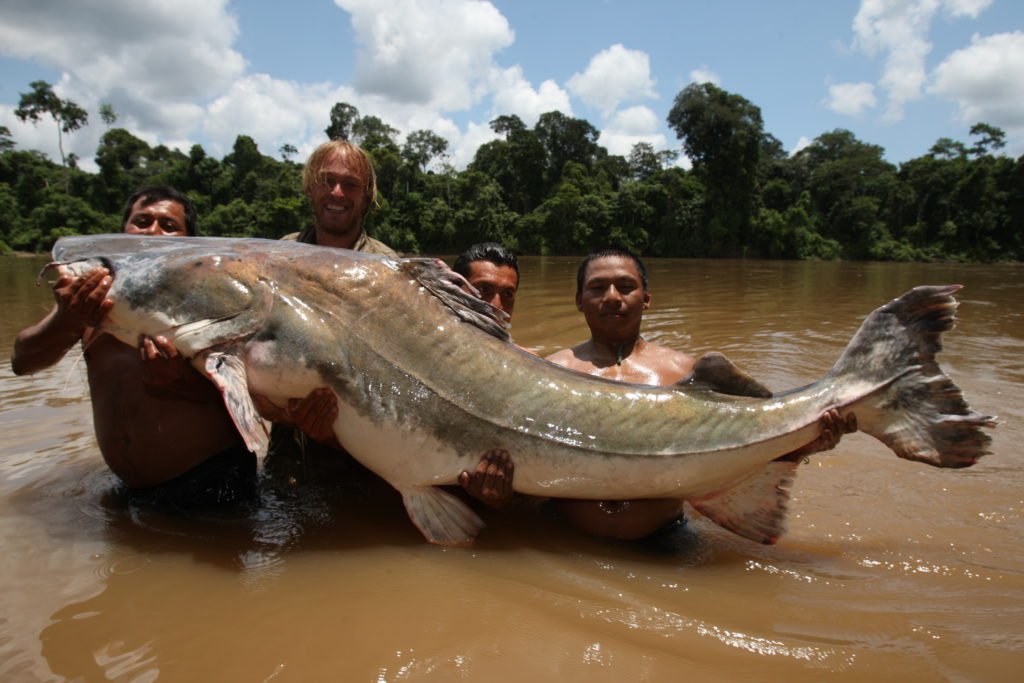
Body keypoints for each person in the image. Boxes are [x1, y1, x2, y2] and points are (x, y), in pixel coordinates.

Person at [465, 248, 856, 540]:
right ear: (579, 301)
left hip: (670, 542)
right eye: (598, 287)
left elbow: (759, 444)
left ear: (647, 299)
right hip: (569, 541)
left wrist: (808, 441)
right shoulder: (546, 373)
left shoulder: (690, 373)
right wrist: (499, 496)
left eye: (626, 286)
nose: (613, 296)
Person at [10, 185, 254, 507]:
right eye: (142, 221)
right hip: (128, 491)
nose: (152, 232)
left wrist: (179, 384)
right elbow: (21, 361)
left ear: (189, 243)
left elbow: (253, 407)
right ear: (123, 230)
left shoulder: (211, 299)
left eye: (169, 226)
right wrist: (67, 319)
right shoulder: (90, 297)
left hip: (213, 482)